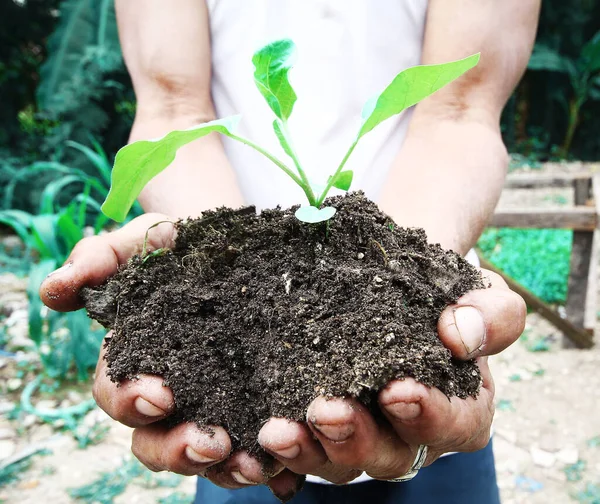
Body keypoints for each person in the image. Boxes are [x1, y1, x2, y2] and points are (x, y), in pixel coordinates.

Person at [40, 1, 539, 502]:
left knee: (419, 413)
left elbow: (459, 107)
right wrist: (211, 259)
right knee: (243, 449)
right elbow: (172, 107)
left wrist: (407, 280)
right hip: (241, 419)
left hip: (407, 262)